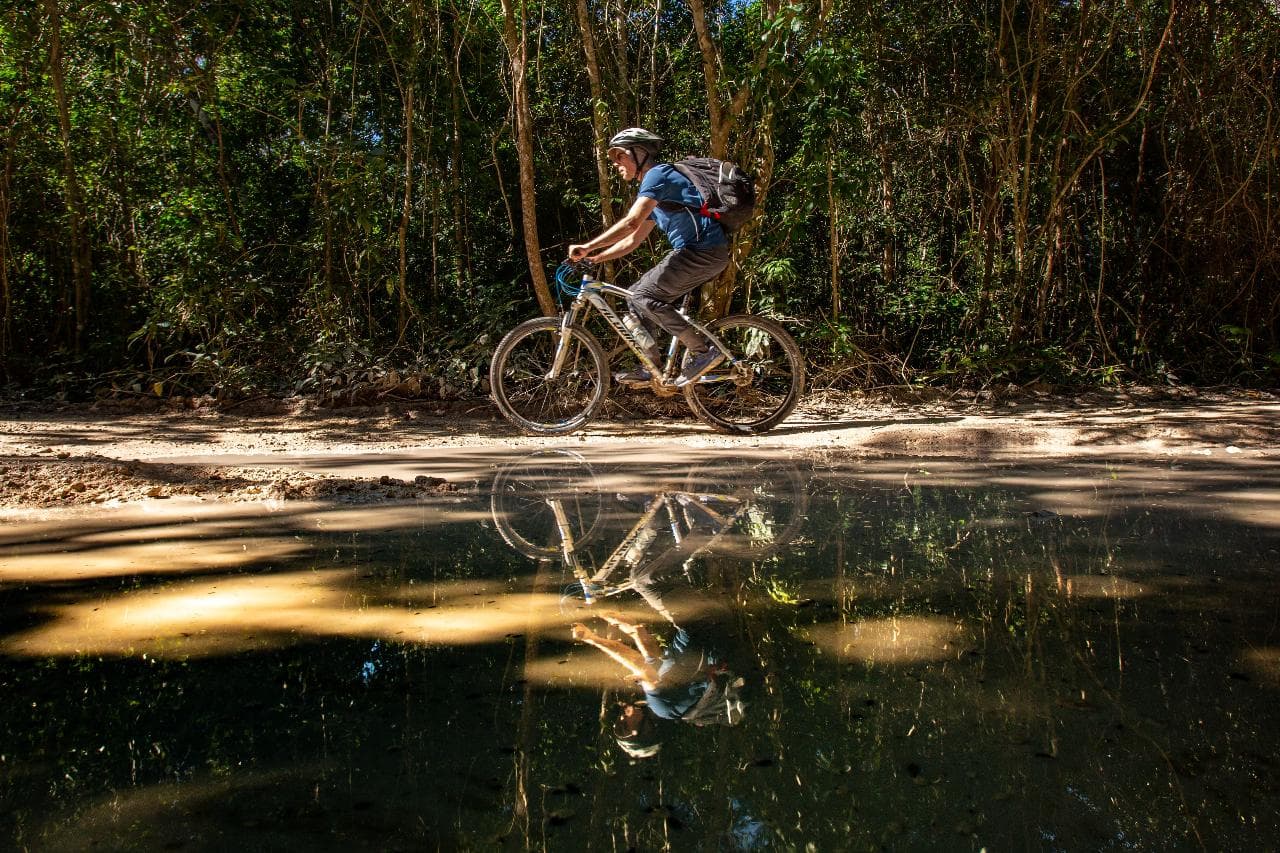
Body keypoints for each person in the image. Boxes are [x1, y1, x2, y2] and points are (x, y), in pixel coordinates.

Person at [568, 128, 729, 387]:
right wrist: (598, 257)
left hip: (703, 249)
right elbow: (633, 240)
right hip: (697, 252)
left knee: (644, 296)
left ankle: (704, 352)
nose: (617, 164)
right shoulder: (656, 188)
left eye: (620, 156)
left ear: (639, 153)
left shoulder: (658, 175)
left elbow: (631, 223)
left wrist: (587, 246)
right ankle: (651, 366)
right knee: (635, 297)